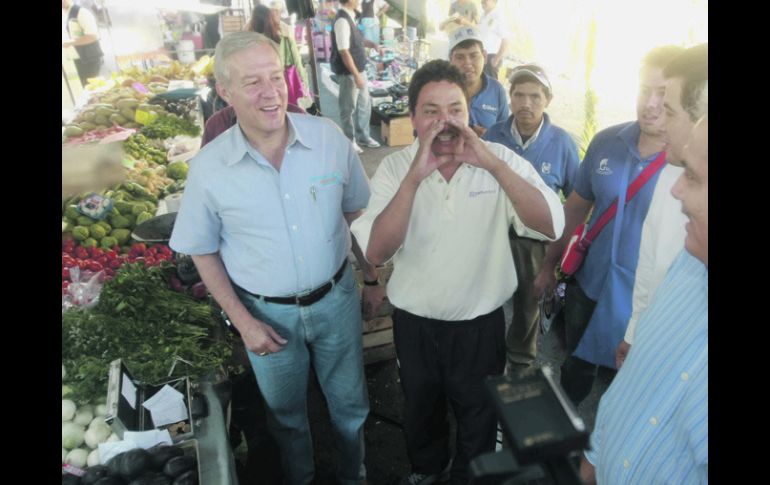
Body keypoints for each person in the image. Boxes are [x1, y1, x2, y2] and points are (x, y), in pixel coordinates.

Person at [169, 31, 385, 485]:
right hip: (265, 316)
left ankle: (355, 475)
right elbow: (202, 251)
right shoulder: (209, 168)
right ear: (224, 91)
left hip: (336, 299)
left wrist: (371, 277)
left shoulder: (328, 138)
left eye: (275, 76)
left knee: (350, 405)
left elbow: (356, 213)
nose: (270, 93)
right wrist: (243, 324)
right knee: (286, 417)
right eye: (252, 82)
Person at [351, 59, 564, 485]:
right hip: (415, 324)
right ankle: (426, 470)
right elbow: (375, 249)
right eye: (431, 111)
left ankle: (472, 476)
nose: (444, 121)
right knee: (420, 406)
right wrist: (416, 175)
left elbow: (550, 224)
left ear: (470, 114)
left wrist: (492, 164)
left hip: (479, 325)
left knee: (479, 412)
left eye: (455, 109)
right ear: (412, 118)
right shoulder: (396, 169)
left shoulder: (498, 159)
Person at [533, 45, 685, 407]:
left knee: (635, 387)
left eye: (663, 95)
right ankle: (562, 443)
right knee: (576, 369)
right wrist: (548, 267)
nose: (650, 103)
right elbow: (573, 211)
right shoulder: (606, 142)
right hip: (590, 287)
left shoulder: (690, 161)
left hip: (648, 303)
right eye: (643, 90)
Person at [581, 113, 708, 485]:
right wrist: (594, 459)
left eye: (695, 178)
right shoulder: (688, 264)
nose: (675, 190)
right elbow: (632, 387)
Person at [616, 43, 708, 369]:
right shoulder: (670, 173)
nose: (660, 122)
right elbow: (649, 261)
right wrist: (635, 331)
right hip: (651, 345)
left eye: (669, 111)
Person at [482, 63, 579, 371]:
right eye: (519, 95)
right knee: (486, 299)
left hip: (535, 244)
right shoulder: (493, 136)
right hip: (494, 236)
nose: (526, 103)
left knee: (528, 306)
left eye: (535, 96)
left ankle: (520, 366)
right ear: (509, 98)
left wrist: (559, 253)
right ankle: (485, 360)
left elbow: (575, 197)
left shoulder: (562, 143)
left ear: (547, 99)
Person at [330, 0, 381, 154]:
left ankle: (363, 136)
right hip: (349, 73)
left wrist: (373, 44)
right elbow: (344, 51)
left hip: (359, 69)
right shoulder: (341, 20)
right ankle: (349, 140)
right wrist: (356, 75)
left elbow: (357, 41)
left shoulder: (352, 16)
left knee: (364, 104)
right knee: (348, 108)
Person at [448, 26, 510, 138]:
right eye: (460, 57)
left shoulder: (497, 91)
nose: (467, 63)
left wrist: (489, 137)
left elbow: (506, 135)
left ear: (485, 57)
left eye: (474, 56)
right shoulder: (440, 90)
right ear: (451, 60)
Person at [247, 4, 310, 106]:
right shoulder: (283, 35)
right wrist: (304, 82)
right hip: (282, 81)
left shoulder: (249, 41)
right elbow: (296, 59)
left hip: (260, 85)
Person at [62, 0, 104, 87]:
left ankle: (140, 89)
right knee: (84, 88)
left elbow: (92, 36)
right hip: (77, 60)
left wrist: (69, 43)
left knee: (91, 88)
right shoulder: (66, 14)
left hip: (89, 59)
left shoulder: (81, 12)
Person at [477, 0, 512, 80]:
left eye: (486, 0)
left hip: (492, 57)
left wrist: (497, 58)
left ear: (494, 1)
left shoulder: (499, 16)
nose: (483, 2)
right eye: (482, 1)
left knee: (490, 86)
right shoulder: (483, 16)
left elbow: (506, 39)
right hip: (481, 56)